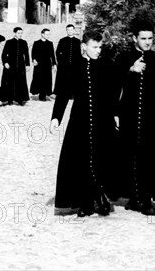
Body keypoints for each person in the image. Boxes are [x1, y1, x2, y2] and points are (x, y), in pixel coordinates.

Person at [49, 30, 119, 217]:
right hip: (79, 120)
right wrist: (56, 117)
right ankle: (84, 202)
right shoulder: (72, 66)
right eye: (94, 47)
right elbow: (63, 94)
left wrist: (115, 114)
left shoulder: (106, 65)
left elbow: (113, 93)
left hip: (102, 120)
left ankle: (101, 195)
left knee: (100, 159)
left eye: (100, 47)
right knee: (79, 160)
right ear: (84, 47)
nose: (98, 50)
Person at [115, 19, 155, 216]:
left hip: (151, 116)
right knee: (129, 155)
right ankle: (134, 196)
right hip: (128, 114)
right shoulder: (124, 58)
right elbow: (112, 85)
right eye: (143, 38)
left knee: (150, 156)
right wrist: (130, 71)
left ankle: (148, 198)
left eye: (150, 38)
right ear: (134, 38)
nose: (147, 42)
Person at [1, 27, 30, 105]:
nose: (20, 35)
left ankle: (20, 99)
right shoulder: (9, 42)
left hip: (20, 65)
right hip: (10, 65)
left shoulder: (24, 42)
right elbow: (4, 54)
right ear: (14, 33)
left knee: (20, 82)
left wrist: (27, 65)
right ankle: (9, 99)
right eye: (18, 33)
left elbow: (26, 55)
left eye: (21, 33)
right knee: (10, 82)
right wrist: (5, 62)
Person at [53, 24, 82, 96]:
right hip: (64, 64)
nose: (70, 31)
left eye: (71, 30)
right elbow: (57, 52)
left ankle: (72, 94)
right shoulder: (62, 40)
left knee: (73, 79)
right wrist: (60, 60)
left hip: (74, 64)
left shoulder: (77, 41)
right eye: (68, 30)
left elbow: (79, 53)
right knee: (63, 79)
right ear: (66, 31)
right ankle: (63, 93)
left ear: (74, 30)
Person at [30, 28, 56, 101]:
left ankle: (43, 95)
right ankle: (39, 93)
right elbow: (33, 53)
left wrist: (54, 64)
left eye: (49, 34)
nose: (48, 35)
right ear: (42, 34)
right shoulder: (36, 43)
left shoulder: (50, 43)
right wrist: (34, 59)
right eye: (47, 34)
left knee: (46, 79)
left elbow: (52, 55)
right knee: (39, 79)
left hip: (47, 64)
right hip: (39, 64)